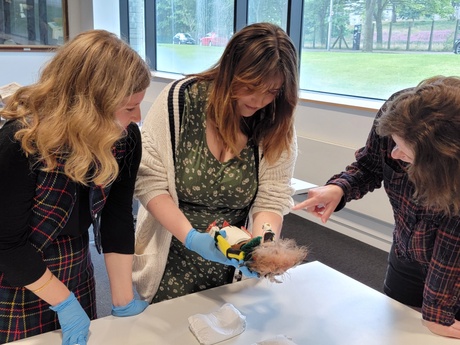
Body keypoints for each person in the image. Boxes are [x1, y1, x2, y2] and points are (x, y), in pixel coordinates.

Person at [0, 29, 151, 344]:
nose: (137, 117)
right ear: (88, 107)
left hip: (75, 264)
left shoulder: (125, 140)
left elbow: (117, 217)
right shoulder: (21, 141)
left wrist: (122, 299)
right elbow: (7, 245)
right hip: (16, 275)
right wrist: (64, 304)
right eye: (128, 107)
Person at [133, 22, 299, 303]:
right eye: (250, 87)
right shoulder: (180, 101)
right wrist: (191, 238)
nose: (259, 100)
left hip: (227, 267)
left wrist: (262, 248)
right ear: (230, 72)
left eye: (271, 91)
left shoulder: (275, 120)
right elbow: (150, 181)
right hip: (169, 255)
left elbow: (272, 197)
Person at [293, 76, 460, 338]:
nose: (394, 154)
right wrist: (340, 188)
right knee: (396, 326)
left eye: (405, 152)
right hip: (408, 249)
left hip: (455, 268)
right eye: (394, 143)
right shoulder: (399, 116)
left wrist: (437, 312)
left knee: (438, 335)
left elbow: (454, 242)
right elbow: (371, 164)